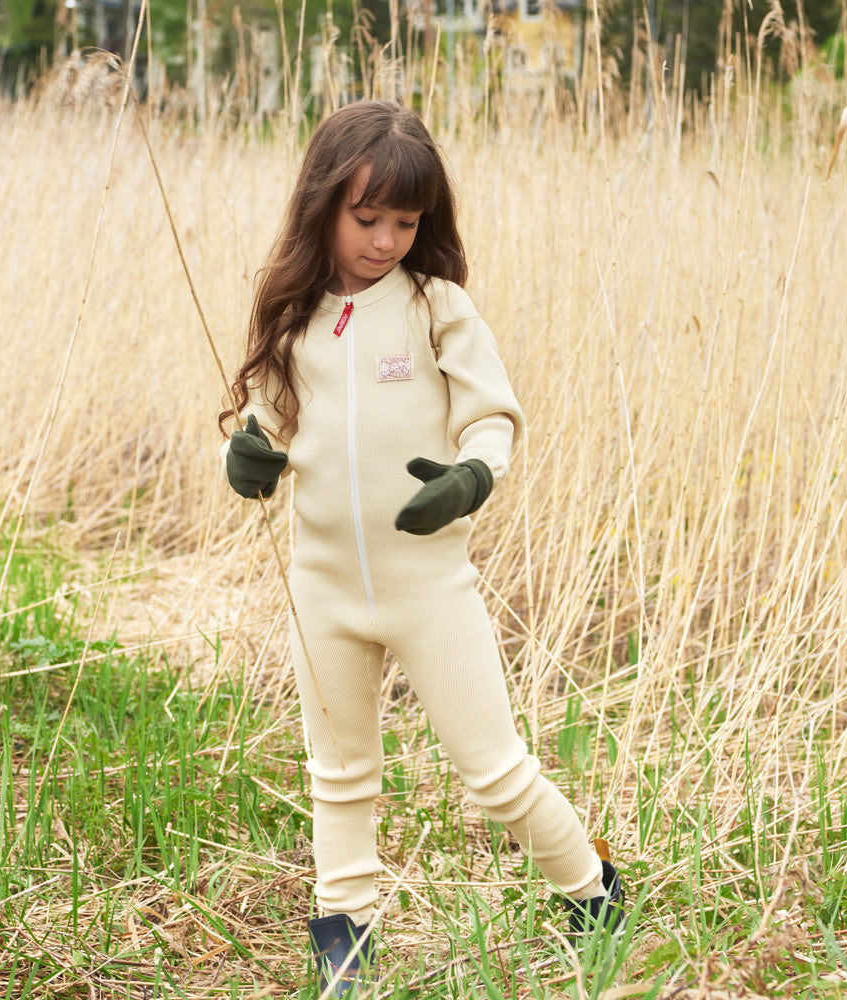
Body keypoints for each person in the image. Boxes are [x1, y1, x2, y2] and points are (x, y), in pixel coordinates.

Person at [220, 100, 626, 996]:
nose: (386, 240)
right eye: (368, 219)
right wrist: (244, 458)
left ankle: (593, 891)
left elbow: (490, 416)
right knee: (340, 773)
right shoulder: (293, 316)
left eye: (406, 222)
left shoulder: (437, 305)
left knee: (496, 774)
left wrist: (471, 477)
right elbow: (264, 427)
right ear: (323, 205)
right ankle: (346, 933)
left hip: (429, 586)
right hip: (321, 586)